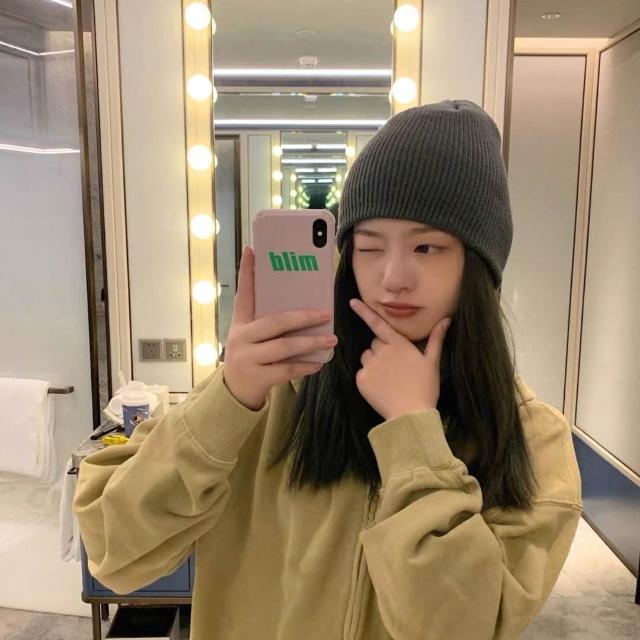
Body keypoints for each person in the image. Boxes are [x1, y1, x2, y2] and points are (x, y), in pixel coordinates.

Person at [74, 100, 583, 640]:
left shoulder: (532, 438)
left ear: (479, 265)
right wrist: (228, 398)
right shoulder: (279, 391)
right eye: (369, 247)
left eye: (428, 247)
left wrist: (414, 435)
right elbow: (115, 551)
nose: (393, 276)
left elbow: (459, 628)